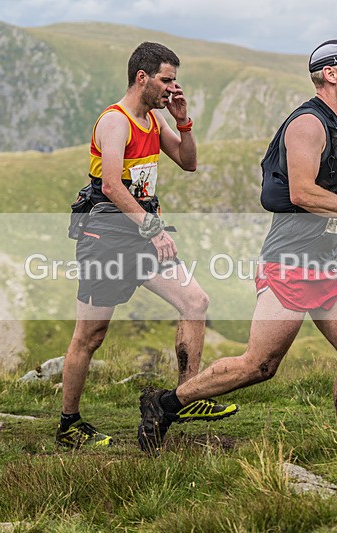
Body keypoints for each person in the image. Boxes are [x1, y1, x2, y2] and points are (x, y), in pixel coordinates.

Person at [137, 39, 337, 454]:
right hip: (290, 262)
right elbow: (301, 193)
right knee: (259, 366)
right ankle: (166, 403)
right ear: (331, 74)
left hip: (329, 260)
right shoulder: (307, 124)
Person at [56, 42, 238, 448]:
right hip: (105, 236)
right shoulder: (115, 121)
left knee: (195, 301)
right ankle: (69, 424)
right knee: (91, 334)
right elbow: (110, 186)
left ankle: (187, 396)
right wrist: (154, 228)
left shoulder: (153, 121)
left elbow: (188, 162)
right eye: (166, 80)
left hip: (140, 233)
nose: (172, 88)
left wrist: (184, 121)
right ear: (143, 78)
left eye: (174, 80)